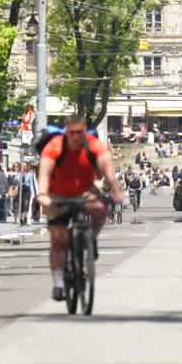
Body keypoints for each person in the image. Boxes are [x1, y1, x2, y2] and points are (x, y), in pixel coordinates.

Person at [36, 117, 123, 301]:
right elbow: (44, 171)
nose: (76, 137)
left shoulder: (95, 146)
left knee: (100, 207)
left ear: (85, 131)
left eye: (80, 132)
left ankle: (91, 237)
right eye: (72, 133)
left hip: (84, 192)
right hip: (56, 194)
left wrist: (115, 189)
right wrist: (42, 194)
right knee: (58, 240)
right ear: (66, 132)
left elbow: (107, 169)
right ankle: (59, 284)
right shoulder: (54, 147)